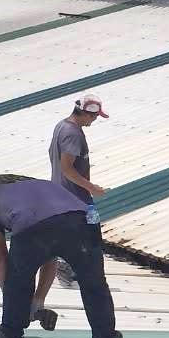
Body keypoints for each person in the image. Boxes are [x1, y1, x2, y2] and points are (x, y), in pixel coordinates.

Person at [0, 174, 128, 338]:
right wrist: (37, 302)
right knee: (94, 286)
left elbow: (0, 256)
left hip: (33, 226)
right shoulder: (41, 188)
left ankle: (10, 337)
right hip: (84, 221)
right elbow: (50, 254)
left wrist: (15, 301)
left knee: (18, 279)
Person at [49, 93, 109, 287]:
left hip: (63, 192)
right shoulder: (72, 133)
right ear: (85, 113)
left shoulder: (62, 126)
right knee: (90, 233)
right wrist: (92, 188)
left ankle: (72, 269)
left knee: (80, 232)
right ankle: (76, 272)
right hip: (75, 196)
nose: (94, 120)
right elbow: (67, 168)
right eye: (94, 116)